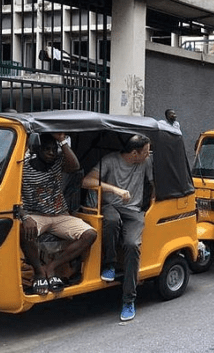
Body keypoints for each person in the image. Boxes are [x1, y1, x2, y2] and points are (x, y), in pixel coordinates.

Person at [82, 135, 154, 321]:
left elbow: (154, 184)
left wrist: (152, 205)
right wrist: (114, 190)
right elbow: (86, 181)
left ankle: (128, 300)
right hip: (111, 206)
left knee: (132, 245)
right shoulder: (110, 160)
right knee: (111, 221)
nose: (148, 154)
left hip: (134, 211)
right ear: (134, 153)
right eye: (145, 152)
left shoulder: (146, 162)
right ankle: (109, 264)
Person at [20, 133, 97, 295]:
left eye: (54, 150)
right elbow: (12, 196)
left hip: (60, 214)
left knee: (90, 234)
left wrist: (62, 141)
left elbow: (75, 166)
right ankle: (39, 271)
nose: (51, 153)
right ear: (37, 150)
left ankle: (51, 267)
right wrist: (25, 216)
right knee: (24, 230)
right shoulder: (23, 167)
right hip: (35, 214)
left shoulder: (57, 163)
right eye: (47, 149)